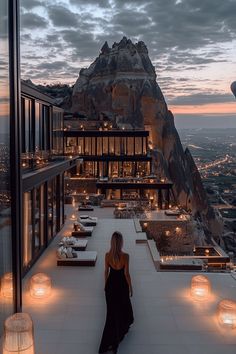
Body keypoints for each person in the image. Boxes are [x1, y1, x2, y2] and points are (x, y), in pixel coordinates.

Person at [99, 231, 134, 353]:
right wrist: (130, 287)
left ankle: (107, 344)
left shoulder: (107, 255)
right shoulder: (126, 256)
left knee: (111, 315)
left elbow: (106, 272)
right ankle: (115, 341)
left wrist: (105, 285)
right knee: (122, 311)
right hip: (121, 286)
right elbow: (127, 274)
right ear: (121, 243)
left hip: (110, 286)